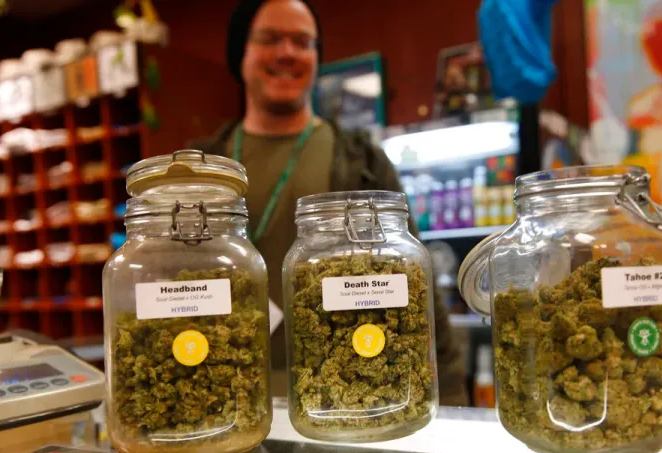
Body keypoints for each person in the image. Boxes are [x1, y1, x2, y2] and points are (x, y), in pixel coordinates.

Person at [194, 0, 467, 406]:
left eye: (302, 42)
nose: (287, 52)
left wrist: (451, 392)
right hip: (225, 395)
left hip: (342, 396)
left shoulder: (362, 160)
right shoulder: (203, 167)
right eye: (270, 39)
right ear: (241, 52)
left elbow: (415, 276)